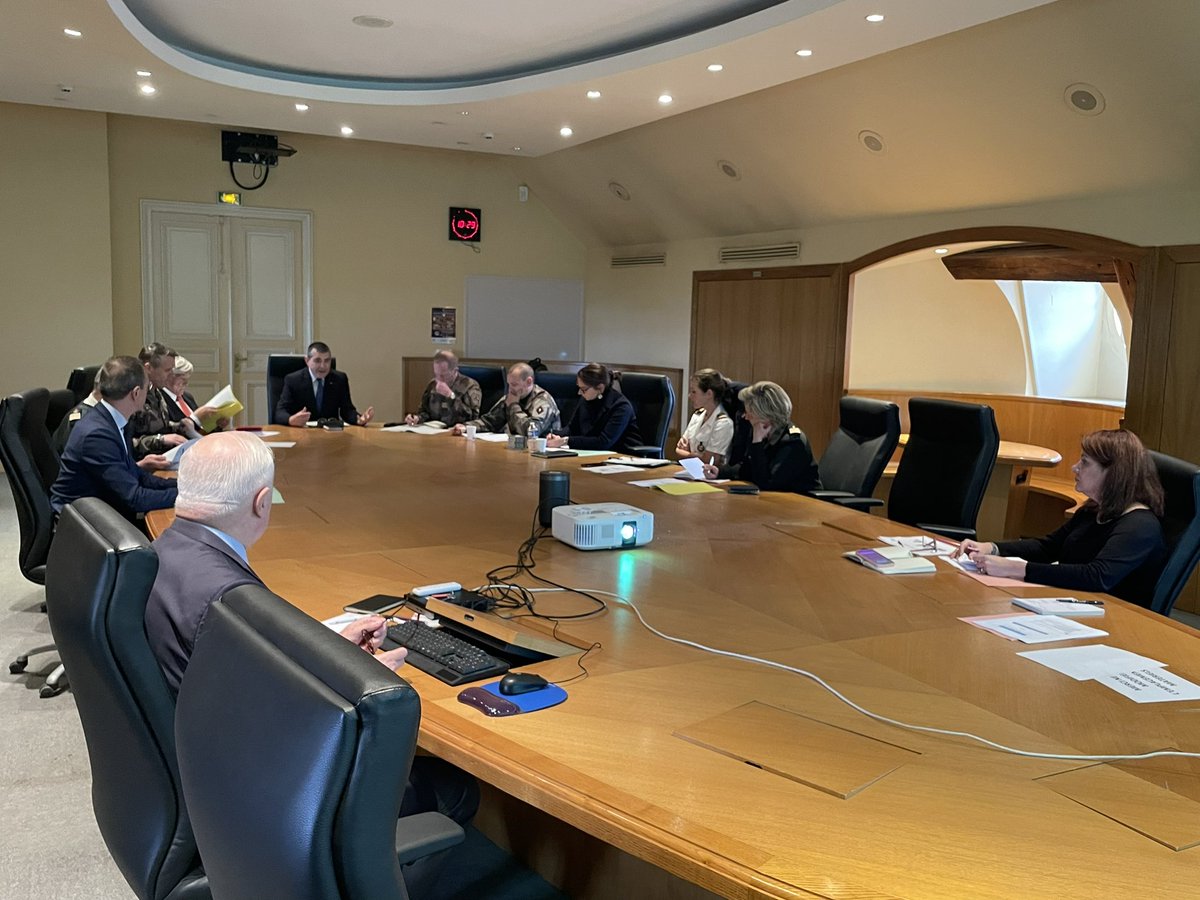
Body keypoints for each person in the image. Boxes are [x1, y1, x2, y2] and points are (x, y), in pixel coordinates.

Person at [144, 431, 478, 825]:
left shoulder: (164, 553)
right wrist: (357, 681)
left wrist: (330, 650)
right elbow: (272, 720)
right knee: (455, 788)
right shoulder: (229, 598)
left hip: (190, 770)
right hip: (260, 794)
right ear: (262, 502)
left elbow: (245, 677)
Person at [953, 429, 1167, 605]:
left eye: (1084, 462)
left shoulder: (1140, 525)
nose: (1075, 467)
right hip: (1074, 603)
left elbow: (1097, 576)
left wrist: (1015, 569)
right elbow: (1048, 548)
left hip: (1117, 617)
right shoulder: (1092, 511)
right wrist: (991, 547)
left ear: (1113, 473)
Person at [50, 355, 179, 521]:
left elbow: (136, 474)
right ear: (136, 393)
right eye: (147, 389)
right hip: (81, 523)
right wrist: (187, 498)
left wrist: (181, 487)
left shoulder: (114, 420)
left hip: (103, 508)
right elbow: (134, 498)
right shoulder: (97, 435)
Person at [703, 381, 821, 494]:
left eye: (750, 412)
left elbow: (766, 483)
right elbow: (747, 468)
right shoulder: (762, 432)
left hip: (804, 504)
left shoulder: (793, 442)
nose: (745, 417)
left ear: (765, 415)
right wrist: (719, 472)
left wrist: (757, 443)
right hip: (777, 503)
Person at [275, 341, 375, 427]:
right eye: (317, 361)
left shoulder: (339, 379)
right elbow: (280, 412)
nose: (323, 366)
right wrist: (291, 419)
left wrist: (359, 419)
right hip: (302, 434)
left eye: (327, 361)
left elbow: (347, 410)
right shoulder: (293, 380)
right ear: (307, 361)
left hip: (331, 434)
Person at [546, 363, 642, 452]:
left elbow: (604, 442)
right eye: (579, 388)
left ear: (600, 388)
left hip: (625, 455)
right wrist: (556, 435)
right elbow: (572, 429)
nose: (579, 393)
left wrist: (565, 441)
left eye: (583, 389)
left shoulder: (621, 406)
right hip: (596, 455)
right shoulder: (586, 399)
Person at [453, 362, 559, 437]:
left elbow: (531, 432)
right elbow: (490, 422)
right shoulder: (511, 396)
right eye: (509, 384)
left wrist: (513, 406)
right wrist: (466, 427)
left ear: (528, 382)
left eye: (514, 385)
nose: (510, 389)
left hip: (541, 452)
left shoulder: (543, 401)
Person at [129, 342, 197, 457]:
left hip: (164, 456)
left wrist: (180, 426)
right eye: (167, 370)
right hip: (143, 462)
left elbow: (161, 426)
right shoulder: (133, 396)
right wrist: (160, 440)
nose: (171, 375)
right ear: (148, 368)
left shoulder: (156, 392)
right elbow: (126, 442)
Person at [404, 350, 481, 427]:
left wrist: (450, 396)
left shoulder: (470, 385)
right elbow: (424, 412)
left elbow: (472, 417)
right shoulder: (433, 384)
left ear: (455, 371)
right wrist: (417, 418)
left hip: (458, 431)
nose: (439, 379)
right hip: (434, 430)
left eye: (443, 375)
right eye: (436, 374)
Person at [676, 368, 734, 465]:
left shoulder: (723, 423)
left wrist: (687, 454)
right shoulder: (697, 415)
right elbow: (678, 451)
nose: (690, 396)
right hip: (690, 471)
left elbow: (709, 462)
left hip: (710, 477)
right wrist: (695, 456)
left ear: (709, 394)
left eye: (694, 392)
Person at [162, 355, 229, 432]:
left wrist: (216, 425)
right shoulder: (160, 399)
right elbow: (170, 431)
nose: (186, 383)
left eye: (187, 379)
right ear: (168, 377)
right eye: (183, 379)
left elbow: (199, 427)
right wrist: (196, 417)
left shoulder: (187, 397)